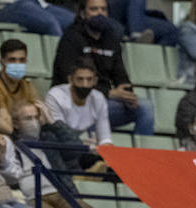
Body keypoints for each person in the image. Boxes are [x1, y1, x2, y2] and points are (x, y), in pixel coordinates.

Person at [51, 0, 154, 135]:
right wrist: (109, 93)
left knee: (145, 108)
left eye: (103, 9)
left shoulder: (111, 38)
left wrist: (127, 93)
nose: (100, 13)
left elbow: (120, 74)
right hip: (74, 101)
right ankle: (92, 152)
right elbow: (67, 77)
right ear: (83, 13)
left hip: (105, 101)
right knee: (95, 106)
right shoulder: (71, 37)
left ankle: (141, 155)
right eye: (94, 9)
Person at [46, 59, 115, 151]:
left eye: (89, 79)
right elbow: (59, 131)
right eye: (80, 79)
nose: (85, 85)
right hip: (55, 145)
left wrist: (106, 150)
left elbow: (105, 137)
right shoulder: (55, 96)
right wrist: (82, 144)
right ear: (70, 79)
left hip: (78, 145)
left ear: (95, 81)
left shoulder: (98, 98)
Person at [0, 39, 39, 119]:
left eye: (22, 60)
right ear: (2, 62)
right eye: (12, 60)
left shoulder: (27, 86)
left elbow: (39, 116)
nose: (17, 64)